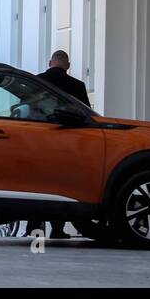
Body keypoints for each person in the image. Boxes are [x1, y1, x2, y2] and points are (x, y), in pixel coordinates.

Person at [28, 49, 89, 240]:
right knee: (61, 184)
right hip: (66, 141)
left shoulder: (36, 81)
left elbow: (29, 109)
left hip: (39, 140)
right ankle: (58, 229)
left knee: (38, 183)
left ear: (49, 62)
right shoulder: (77, 85)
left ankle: (35, 229)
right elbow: (85, 113)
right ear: (68, 66)